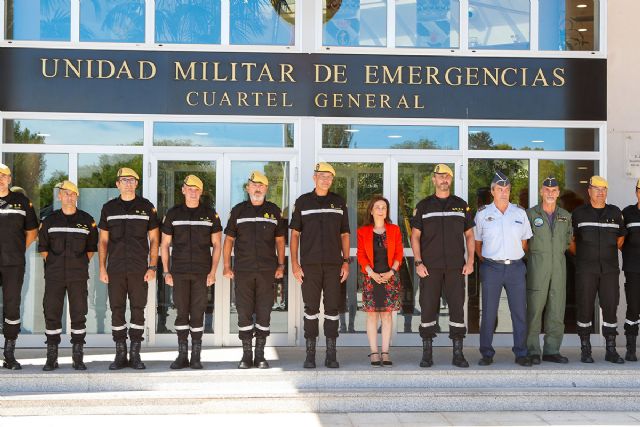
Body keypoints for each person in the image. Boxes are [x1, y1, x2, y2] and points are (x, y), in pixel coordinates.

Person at [410, 164, 475, 368]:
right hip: (430, 268)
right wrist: (418, 262)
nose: (444, 179)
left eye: (447, 176)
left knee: (457, 308)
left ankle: (458, 354)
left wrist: (471, 260)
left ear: (451, 179)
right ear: (434, 179)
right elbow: (415, 237)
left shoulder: (461, 205)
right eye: (440, 176)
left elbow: (470, 235)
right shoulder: (423, 206)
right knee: (428, 308)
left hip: (456, 266)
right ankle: (427, 354)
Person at [98, 167, 160, 370]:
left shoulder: (146, 207)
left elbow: (154, 239)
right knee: (116, 310)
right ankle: (120, 353)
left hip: (139, 268)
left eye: (132, 180)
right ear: (117, 184)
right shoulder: (108, 208)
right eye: (124, 180)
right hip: (115, 268)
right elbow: (103, 242)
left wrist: (152, 266)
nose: (128, 183)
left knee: (137, 310)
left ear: (136, 184)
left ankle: (135, 354)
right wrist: (102, 268)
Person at [223, 171, 286, 369]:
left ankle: (260, 355)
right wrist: (226, 265)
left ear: (266, 189)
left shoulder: (274, 211)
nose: (257, 188)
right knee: (244, 312)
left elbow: (280, 241)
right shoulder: (238, 211)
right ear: (248, 188)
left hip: (268, 271)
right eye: (254, 185)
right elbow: (229, 240)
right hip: (243, 270)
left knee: (264, 312)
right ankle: (246, 355)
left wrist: (281, 265)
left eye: (261, 185)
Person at [290, 162, 350, 369]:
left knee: (332, 309)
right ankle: (310, 354)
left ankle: (331, 354)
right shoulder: (303, 202)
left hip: (334, 265)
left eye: (329, 177)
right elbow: (295, 234)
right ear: (314, 177)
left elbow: (345, 234)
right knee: (311, 309)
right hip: (310, 265)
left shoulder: (339, 202)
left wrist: (346, 261)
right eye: (322, 175)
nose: (325, 179)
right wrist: (295, 264)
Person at [160, 175, 222, 369]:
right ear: (183, 190)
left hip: (201, 273)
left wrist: (213, 272)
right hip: (178, 272)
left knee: (197, 313)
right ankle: (181, 355)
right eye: (189, 188)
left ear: (201, 192)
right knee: (181, 313)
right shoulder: (173, 214)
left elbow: (217, 245)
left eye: (197, 189)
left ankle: (196, 356)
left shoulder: (210, 214)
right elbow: (165, 244)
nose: (193, 191)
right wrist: (166, 272)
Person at [38, 180, 98, 371]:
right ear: (59, 196)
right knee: (52, 314)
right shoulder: (49, 221)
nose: (69, 197)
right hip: (54, 276)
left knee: (79, 314)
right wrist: (56, 265)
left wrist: (77, 265)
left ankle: (78, 357)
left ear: (77, 197)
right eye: (66, 193)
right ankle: (51, 357)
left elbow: (90, 250)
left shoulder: (88, 221)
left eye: (73, 194)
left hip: (78, 276)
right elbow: (44, 250)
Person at [474, 171, 533, 367]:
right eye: (500, 189)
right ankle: (487, 353)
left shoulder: (520, 213)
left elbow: (524, 243)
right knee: (489, 312)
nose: (504, 192)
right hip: (491, 267)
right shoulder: (483, 214)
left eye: (507, 189)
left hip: (516, 268)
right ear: (492, 191)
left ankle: (521, 352)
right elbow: (477, 244)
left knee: (519, 312)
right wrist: (490, 261)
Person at [570, 176, 626, 363]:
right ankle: (585, 349)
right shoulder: (578, 213)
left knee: (610, 307)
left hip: (609, 270)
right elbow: (571, 242)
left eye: (604, 189)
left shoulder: (615, 212)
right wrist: (586, 256)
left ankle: (611, 349)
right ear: (589, 191)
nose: (601, 192)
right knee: (585, 307)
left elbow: (620, 239)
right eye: (597, 189)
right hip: (586, 270)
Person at [525, 177, 572, 364]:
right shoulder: (530, 214)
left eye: (554, 190)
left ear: (558, 192)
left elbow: (568, 241)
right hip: (537, 268)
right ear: (541, 192)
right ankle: (532, 350)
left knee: (557, 310)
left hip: (559, 268)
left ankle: (552, 350)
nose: (550, 193)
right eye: (547, 190)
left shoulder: (565, 215)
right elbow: (524, 244)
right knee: (534, 310)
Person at [0, 164, 39, 370]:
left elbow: (32, 231)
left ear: (10, 179)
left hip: (13, 263)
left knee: (12, 306)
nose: (0, 179)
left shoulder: (22, 202)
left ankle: (9, 354)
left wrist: (17, 249)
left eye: (3, 176)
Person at [357, 196, 403, 366]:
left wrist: (391, 272)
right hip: (371, 277)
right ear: (371, 210)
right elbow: (361, 255)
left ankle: (385, 352)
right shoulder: (363, 231)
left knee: (387, 315)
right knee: (372, 315)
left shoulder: (394, 230)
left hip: (390, 277)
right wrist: (371, 273)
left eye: (384, 207)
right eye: (377, 207)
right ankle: (374, 353)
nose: (381, 210)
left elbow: (399, 253)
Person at [622, 179, 640, 361]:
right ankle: (631, 348)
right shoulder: (627, 213)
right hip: (633, 269)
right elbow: (620, 242)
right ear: (636, 192)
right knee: (633, 308)